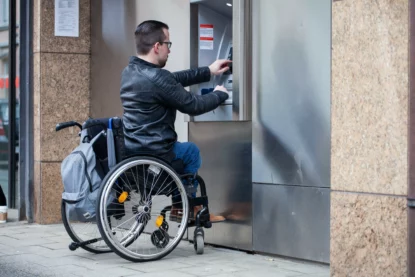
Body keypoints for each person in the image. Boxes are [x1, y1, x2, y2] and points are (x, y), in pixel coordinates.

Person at [120, 20, 230, 222]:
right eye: (168, 44)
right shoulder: (157, 78)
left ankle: (181, 208)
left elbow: (171, 79)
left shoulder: (130, 73)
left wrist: (208, 71)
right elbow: (193, 105)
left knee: (185, 150)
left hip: (134, 151)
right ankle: (185, 208)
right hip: (158, 153)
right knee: (190, 152)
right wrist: (220, 94)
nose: (169, 50)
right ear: (157, 46)